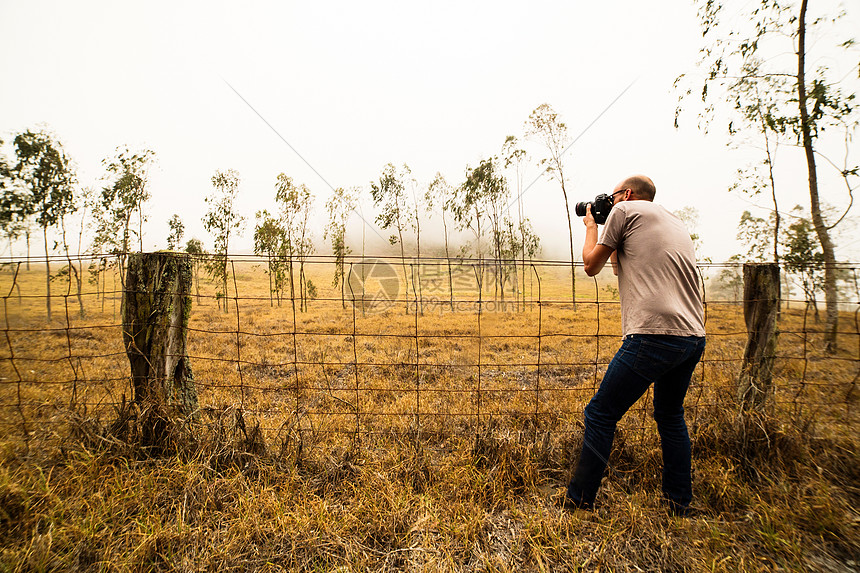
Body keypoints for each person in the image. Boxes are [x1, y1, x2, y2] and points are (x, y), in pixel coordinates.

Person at [565, 175, 706, 514]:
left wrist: (590, 226)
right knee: (671, 415)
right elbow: (619, 268)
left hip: (653, 335)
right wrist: (610, 232)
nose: (610, 203)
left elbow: (590, 266)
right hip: (693, 336)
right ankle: (678, 503)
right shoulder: (673, 219)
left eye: (614, 197)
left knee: (600, 413)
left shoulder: (624, 209)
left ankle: (579, 501)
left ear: (626, 194)